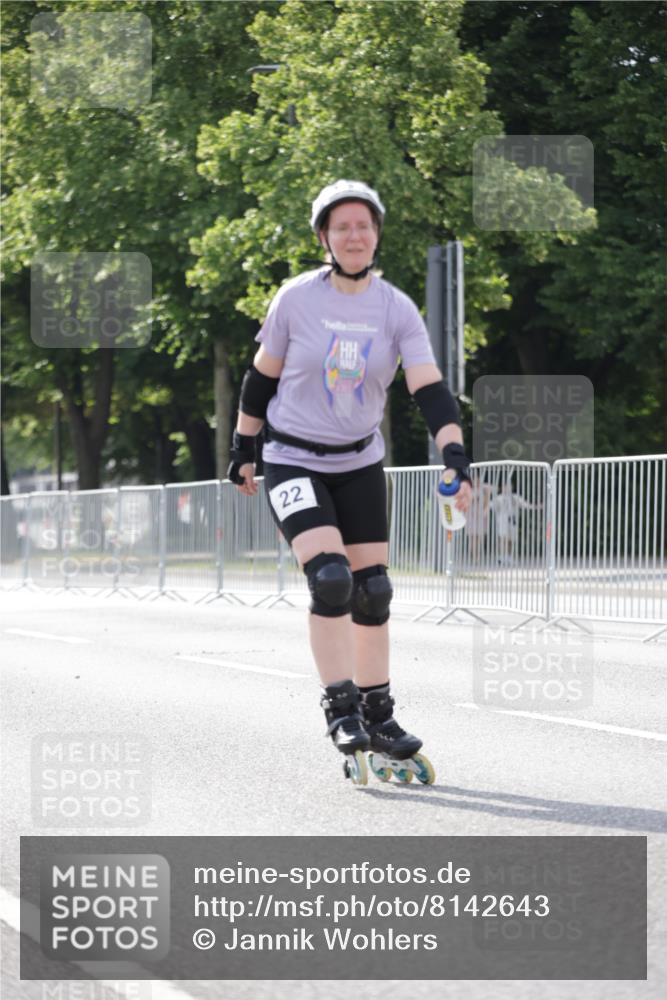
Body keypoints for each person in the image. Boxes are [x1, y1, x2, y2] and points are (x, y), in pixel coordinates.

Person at [227, 179, 472, 785]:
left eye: (364, 225)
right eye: (342, 227)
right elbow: (260, 379)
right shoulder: (295, 299)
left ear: (377, 234)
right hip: (292, 457)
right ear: (325, 238)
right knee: (331, 579)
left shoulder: (396, 308)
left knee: (374, 591)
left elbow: (429, 389)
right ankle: (341, 708)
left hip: (360, 461)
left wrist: (455, 456)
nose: (354, 236)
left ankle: (379, 715)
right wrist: (243, 448)